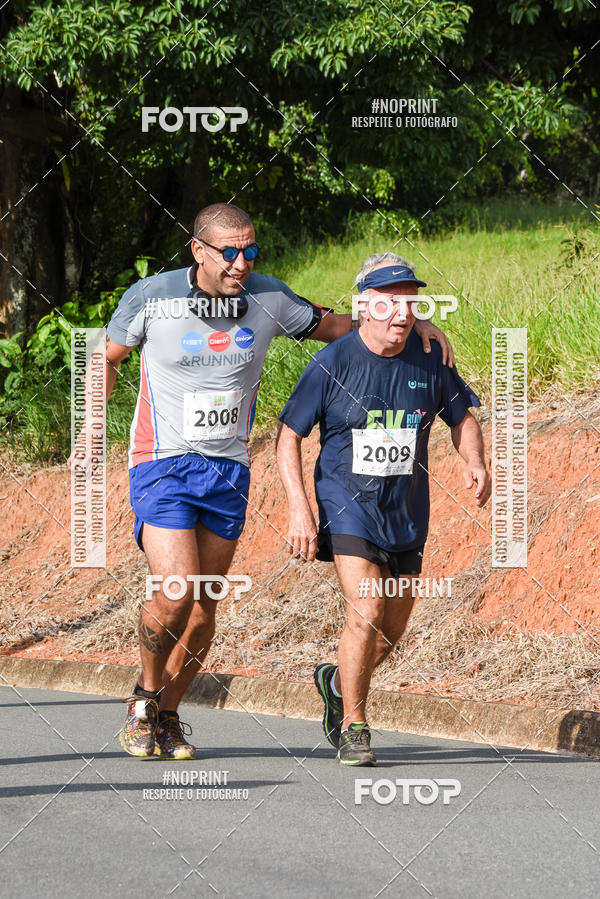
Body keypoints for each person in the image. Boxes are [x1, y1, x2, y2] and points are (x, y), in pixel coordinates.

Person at [69, 206, 454, 760]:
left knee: (203, 611)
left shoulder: (269, 298)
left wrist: (404, 319)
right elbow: (104, 357)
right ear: (198, 250)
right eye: (229, 252)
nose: (241, 263)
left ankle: (169, 714)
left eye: (250, 251)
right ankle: (142, 700)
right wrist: (89, 429)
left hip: (229, 471)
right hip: (163, 462)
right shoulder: (152, 297)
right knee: (176, 588)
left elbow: (342, 326)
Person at [276, 253, 491, 765]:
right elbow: (288, 437)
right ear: (364, 305)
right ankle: (355, 726)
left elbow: (461, 418)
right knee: (366, 610)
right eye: (389, 301)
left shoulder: (430, 358)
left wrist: (475, 460)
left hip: (406, 512)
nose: (401, 312)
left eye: (410, 301)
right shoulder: (333, 362)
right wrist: (299, 510)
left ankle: (335, 680)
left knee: (390, 631)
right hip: (346, 505)